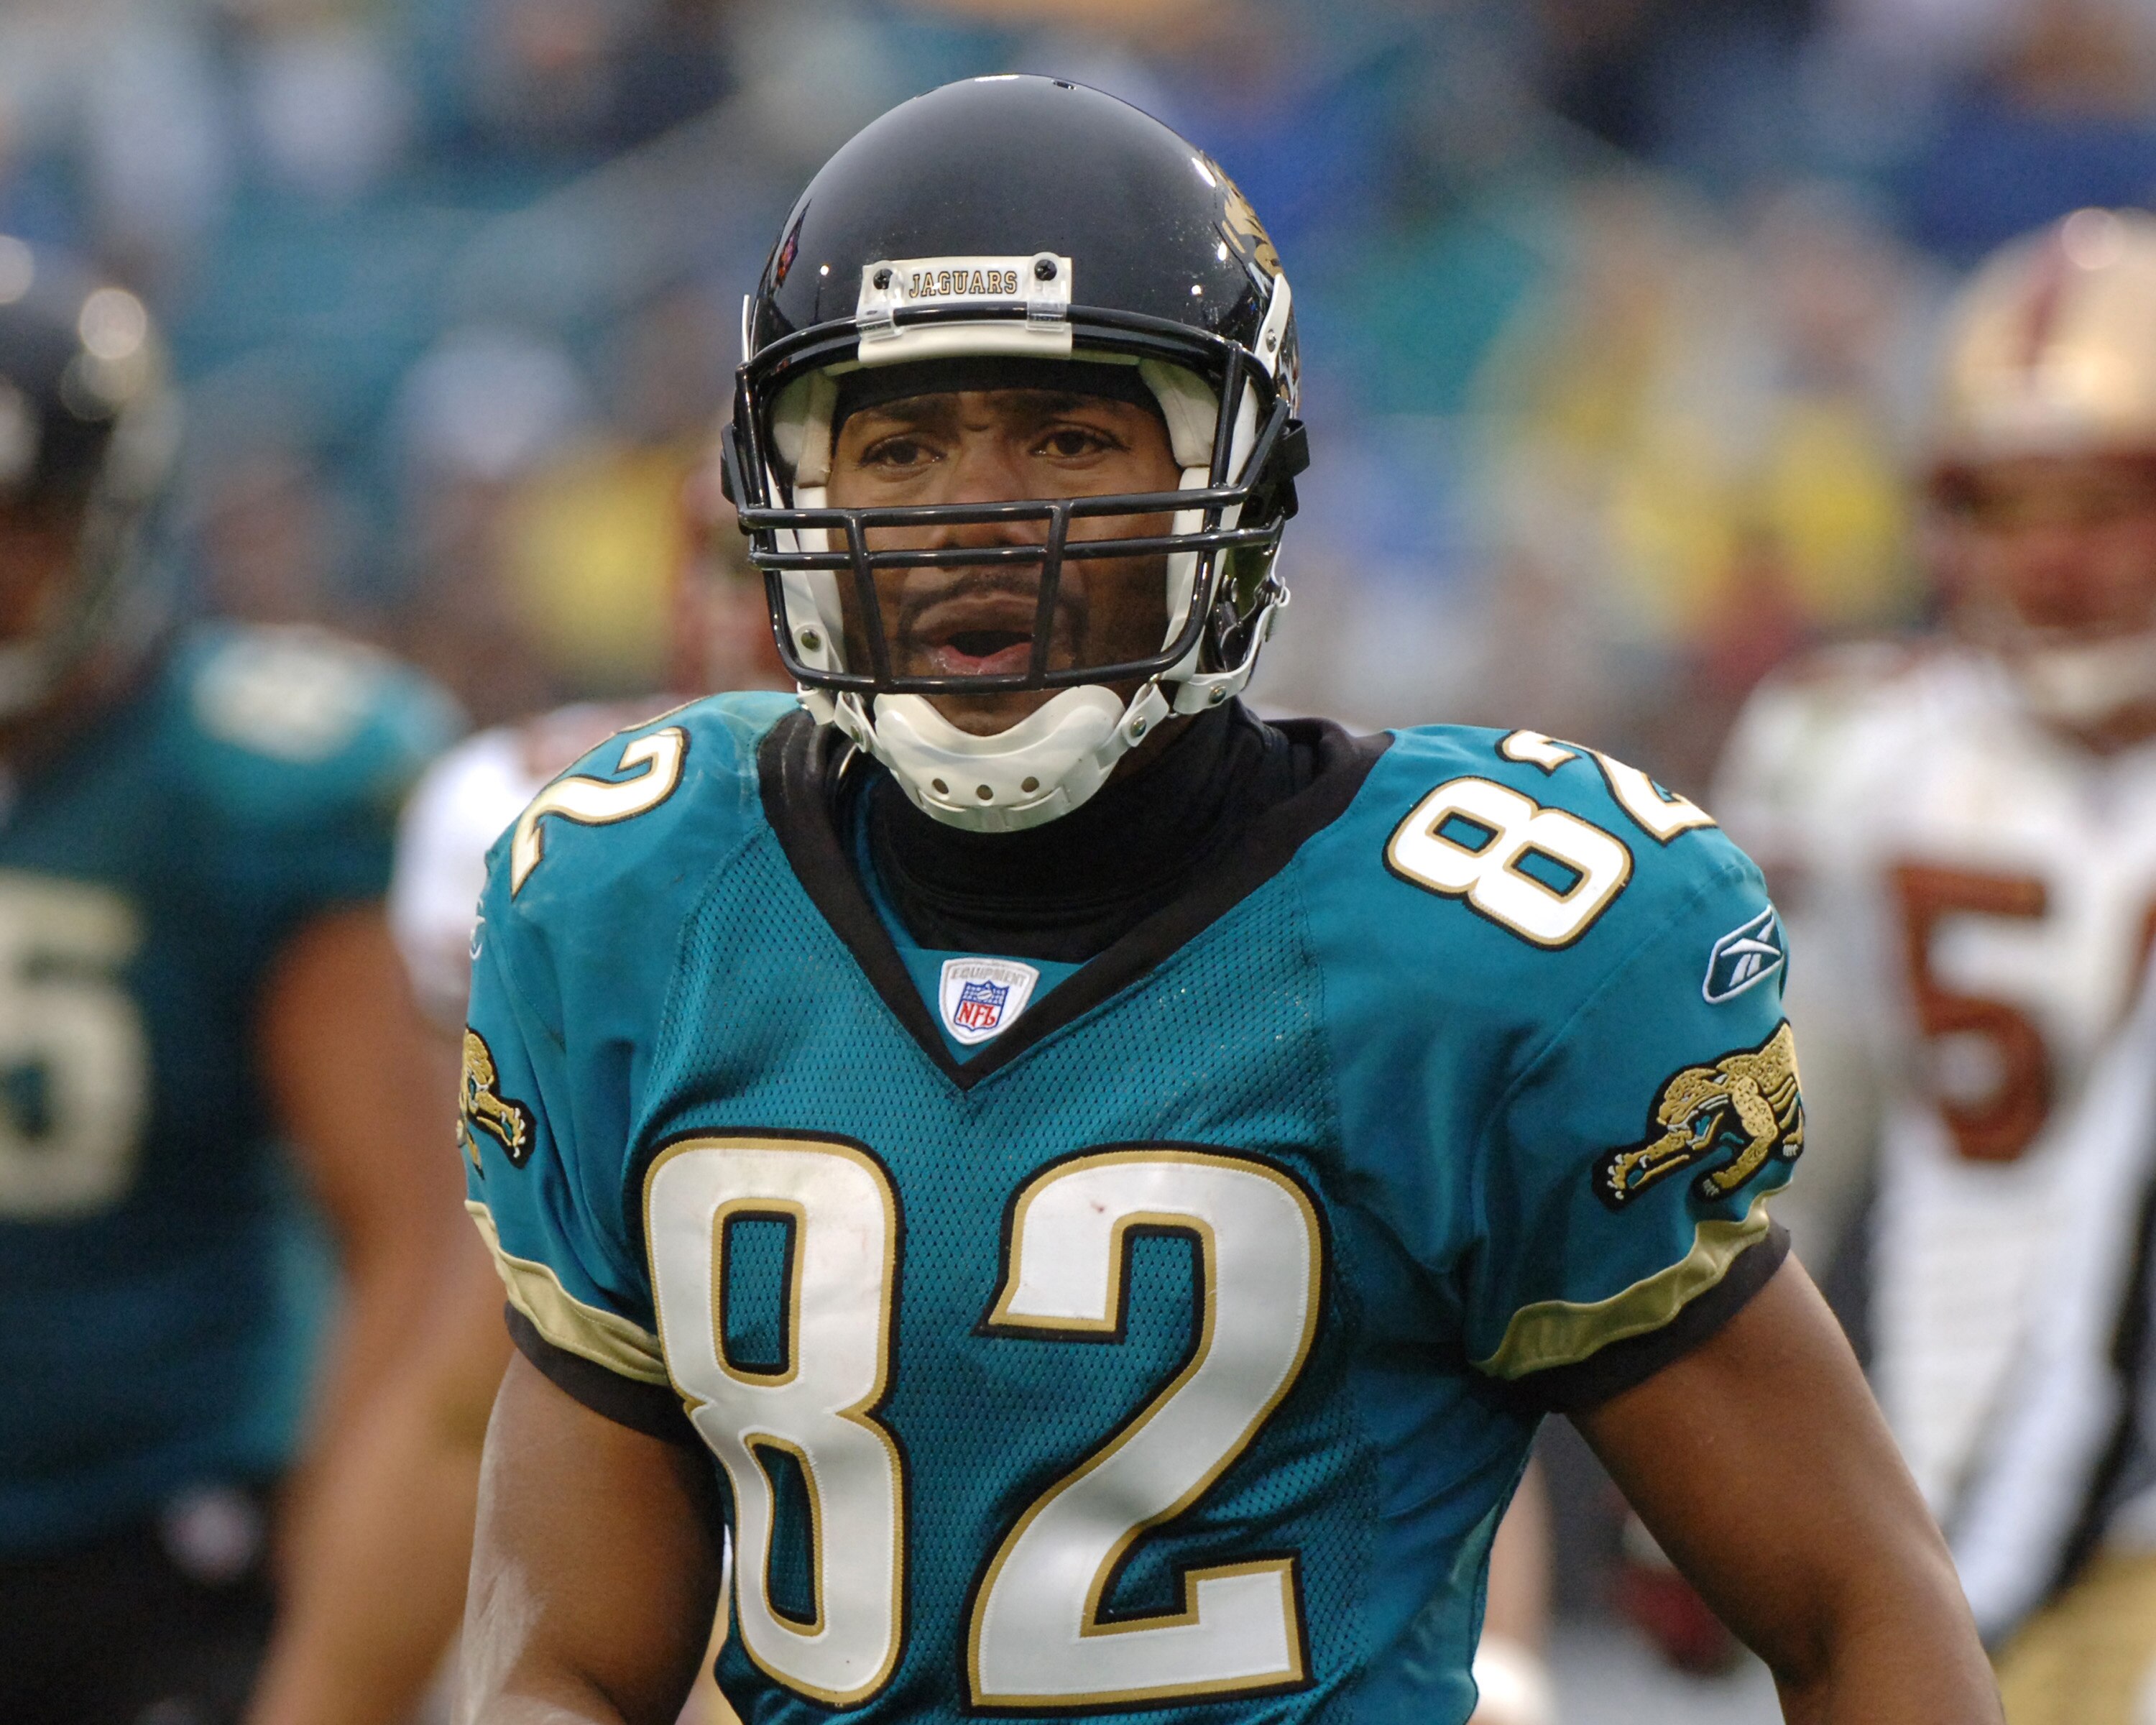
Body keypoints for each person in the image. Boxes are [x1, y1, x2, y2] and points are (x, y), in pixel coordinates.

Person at [454, 77, 1994, 1725]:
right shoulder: (643, 899)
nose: (977, 513)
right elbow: (565, 1664)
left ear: (1234, 484)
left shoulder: (1481, 936)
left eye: (1067, 436)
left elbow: (1855, 1614)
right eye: (898, 446)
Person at [0, 240, 464, 1725]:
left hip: (160, 1537)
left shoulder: (253, 786)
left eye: (17, 524)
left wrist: (326, 1629)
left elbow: (414, 1242)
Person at [245, 467, 788, 1725]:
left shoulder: (1221, 877)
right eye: (747, 563)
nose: (780, 614)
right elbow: (463, 1380)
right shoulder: (579, 841)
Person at [1716, 206, 2156, 1724]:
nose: (2054, 559)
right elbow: (1776, 1142)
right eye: (2009, 505)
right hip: (1930, 1442)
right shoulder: (1853, 752)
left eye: (2107, 502)